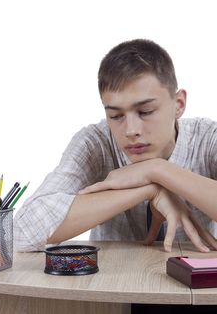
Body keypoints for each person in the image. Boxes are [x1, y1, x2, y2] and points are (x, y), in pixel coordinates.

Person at [14, 39, 217, 254]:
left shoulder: (208, 137)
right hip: (109, 280)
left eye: (146, 111)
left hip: (194, 284)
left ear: (179, 105)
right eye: (116, 116)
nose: (131, 130)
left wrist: (158, 170)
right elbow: (20, 234)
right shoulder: (96, 142)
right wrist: (150, 190)